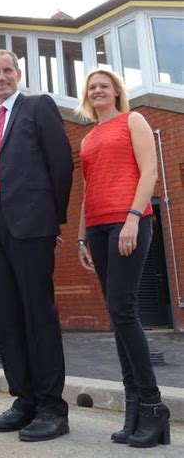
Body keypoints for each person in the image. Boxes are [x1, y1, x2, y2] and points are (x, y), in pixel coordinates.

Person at [0, 49, 73, 443]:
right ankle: (24, 401)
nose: (0, 77)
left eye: (6, 71)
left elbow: (61, 162)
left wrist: (53, 220)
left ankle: (52, 407)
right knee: (7, 317)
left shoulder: (37, 107)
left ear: (18, 73)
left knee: (37, 313)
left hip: (32, 224)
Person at [76, 68, 170, 449]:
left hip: (128, 221)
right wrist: (82, 235)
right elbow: (87, 187)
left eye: (104, 86)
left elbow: (150, 170)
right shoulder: (87, 138)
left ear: (116, 91)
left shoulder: (134, 120)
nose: (98, 90)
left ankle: (152, 405)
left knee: (123, 309)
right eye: (92, 87)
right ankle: (133, 408)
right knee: (116, 316)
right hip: (97, 228)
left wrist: (134, 216)